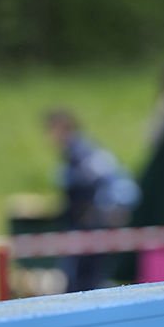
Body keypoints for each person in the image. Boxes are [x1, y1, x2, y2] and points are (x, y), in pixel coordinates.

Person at [44, 109, 140, 291]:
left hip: (93, 224)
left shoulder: (78, 152)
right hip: (98, 220)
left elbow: (93, 184)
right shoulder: (84, 148)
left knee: (83, 280)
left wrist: (93, 214)